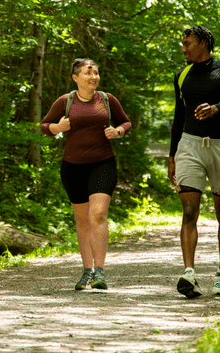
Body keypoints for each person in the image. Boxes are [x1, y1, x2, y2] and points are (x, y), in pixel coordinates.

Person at [41, 58, 132, 291]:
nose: (93, 77)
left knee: (98, 214)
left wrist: (118, 131)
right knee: (82, 221)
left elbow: (125, 122)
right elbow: (44, 126)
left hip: (103, 164)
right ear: (75, 78)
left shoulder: (107, 99)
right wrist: (58, 128)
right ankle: (86, 271)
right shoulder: (66, 101)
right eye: (87, 73)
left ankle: (100, 271)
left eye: (96, 73)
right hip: (73, 167)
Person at [168, 26, 220, 298]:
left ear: (203, 44)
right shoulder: (181, 75)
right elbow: (178, 117)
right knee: (189, 212)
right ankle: (189, 273)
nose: (183, 49)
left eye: (187, 44)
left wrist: (215, 108)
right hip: (189, 146)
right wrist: (172, 156)